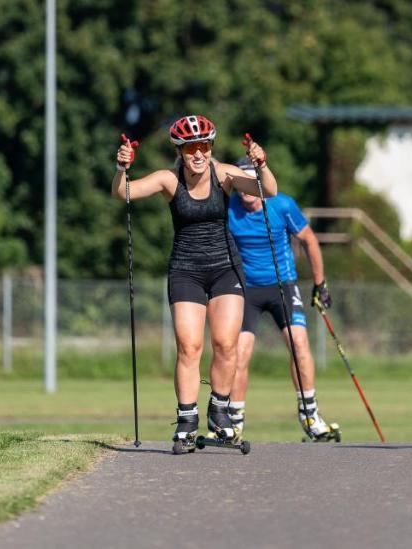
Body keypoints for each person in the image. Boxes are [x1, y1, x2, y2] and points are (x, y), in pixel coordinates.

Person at [113, 114, 276, 454]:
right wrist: (122, 168)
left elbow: (268, 190)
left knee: (226, 343)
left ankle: (220, 411)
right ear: (180, 151)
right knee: (189, 347)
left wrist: (261, 165)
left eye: (203, 146)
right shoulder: (169, 180)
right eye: (190, 148)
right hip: (186, 269)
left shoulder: (225, 173)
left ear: (211, 147)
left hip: (226, 268)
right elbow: (124, 193)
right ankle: (186, 421)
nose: (198, 154)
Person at [226, 156, 339, 441]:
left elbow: (309, 240)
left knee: (299, 343)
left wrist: (319, 284)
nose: (245, 192)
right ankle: (234, 421)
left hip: (282, 286)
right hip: (246, 289)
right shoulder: (229, 210)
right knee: (239, 352)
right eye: (240, 185)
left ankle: (310, 415)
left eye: (251, 185)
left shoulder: (282, 205)